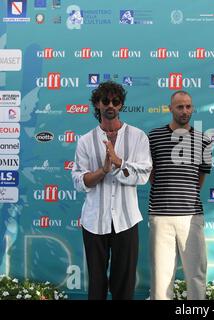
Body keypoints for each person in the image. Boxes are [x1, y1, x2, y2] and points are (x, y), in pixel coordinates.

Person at [71, 81, 152, 300]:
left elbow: (143, 176)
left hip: (126, 220)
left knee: (124, 284)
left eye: (115, 101)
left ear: (121, 105)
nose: (110, 105)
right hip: (94, 220)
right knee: (96, 284)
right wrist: (103, 170)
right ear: (97, 104)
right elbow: (79, 181)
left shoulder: (138, 137)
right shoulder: (86, 141)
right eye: (105, 100)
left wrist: (118, 162)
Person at [148, 90, 212, 300]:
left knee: (196, 276)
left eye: (188, 107)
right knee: (161, 279)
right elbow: (151, 174)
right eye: (180, 107)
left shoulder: (203, 140)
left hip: (191, 216)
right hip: (160, 216)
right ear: (170, 109)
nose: (185, 111)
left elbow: (200, 178)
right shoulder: (154, 137)